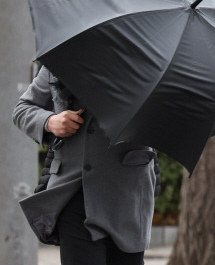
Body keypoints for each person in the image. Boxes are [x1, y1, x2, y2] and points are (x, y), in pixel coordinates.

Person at [13, 66, 159, 265]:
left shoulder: (150, 60)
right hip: (74, 191)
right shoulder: (62, 57)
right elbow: (23, 109)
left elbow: (170, 118)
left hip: (128, 195)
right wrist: (50, 121)